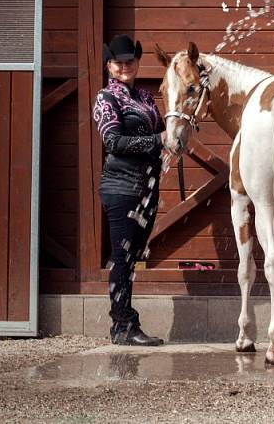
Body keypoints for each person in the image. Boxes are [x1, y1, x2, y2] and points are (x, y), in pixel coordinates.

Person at [93, 35, 165, 346]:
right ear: (109, 65)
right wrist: (156, 142)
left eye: (130, 61)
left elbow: (166, 131)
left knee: (131, 257)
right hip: (120, 187)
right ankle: (121, 325)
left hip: (147, 188)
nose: (125, 66)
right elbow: (113, 143)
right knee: (122, 258)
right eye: (118, 62)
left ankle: (124, 322)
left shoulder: (147, 99)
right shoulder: (105, 99)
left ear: (137, 63)